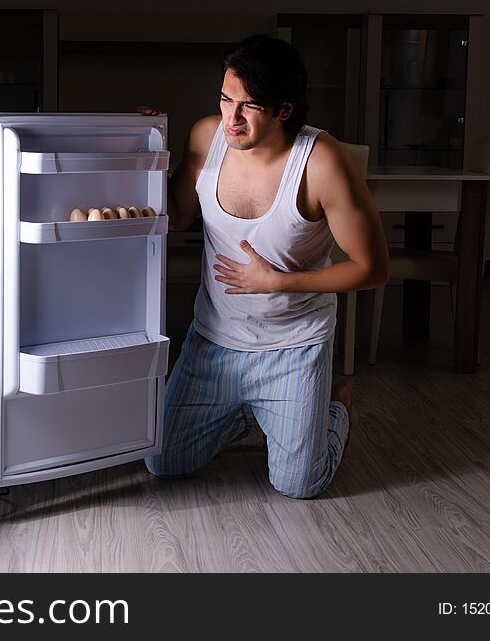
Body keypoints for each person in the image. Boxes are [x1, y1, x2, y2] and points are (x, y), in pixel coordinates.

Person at [141, 34, 389, 499]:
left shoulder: (322, 162)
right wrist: (146, 149)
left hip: (294, 345)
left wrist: (279, 281)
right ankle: (246, 411)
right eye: (225, 99)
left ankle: (335, 407)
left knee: (299, 486)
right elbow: (174, 219)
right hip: (213, 341)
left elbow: (373, 269)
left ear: (285, 110)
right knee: (163, 461)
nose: (231, 118)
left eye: (249, 106)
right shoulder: (205, 136)